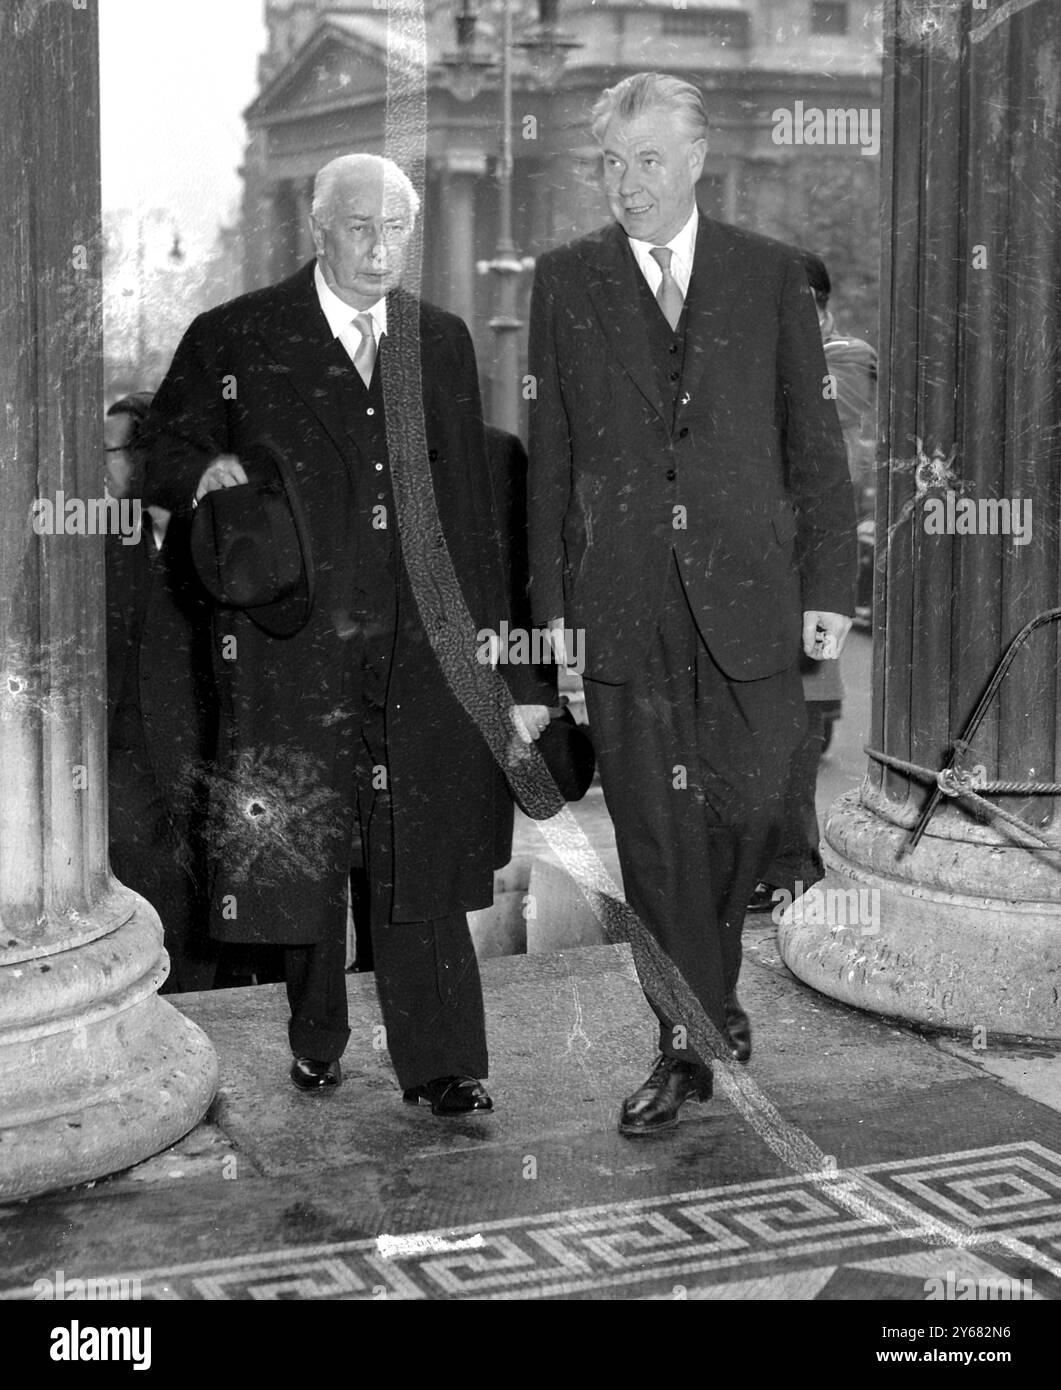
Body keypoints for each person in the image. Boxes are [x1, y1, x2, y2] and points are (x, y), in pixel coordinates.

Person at [143, 154, 550, 1114]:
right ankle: (317, 1035)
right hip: (293, 647)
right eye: (360, 227)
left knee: (424, 853)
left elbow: (469, 507)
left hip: (419, 645)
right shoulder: (237, 333)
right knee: (312, 850)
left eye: (396, 228)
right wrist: (198, 473)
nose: (380, 248)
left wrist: (511, 670)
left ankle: (444, 1062)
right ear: (319, 231)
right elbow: (164, 446)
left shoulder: (439, 340)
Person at [527, 73, 857, 1136]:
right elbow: (550, 463)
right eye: (611, 163)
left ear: (697, 159)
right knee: (655, 834)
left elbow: (813, 443)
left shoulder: (766, 278)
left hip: (751, 600)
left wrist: (828, 589)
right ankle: (683, 1038)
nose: (626, 184)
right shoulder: (565, 280)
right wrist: (550, 621)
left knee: (755, 808)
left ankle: (706, 996)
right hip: (620, 605)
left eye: (648, 160)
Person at [748, 251, 878, 911]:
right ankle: (769, 866)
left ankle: (790, 869)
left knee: (789, 732)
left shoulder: (847, 361)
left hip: (801, 585)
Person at [104, 392, 217, 993]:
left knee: (206, 886)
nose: (105, 466)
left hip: (203, 747)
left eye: (114, 451)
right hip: (126, 751)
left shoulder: (214, 527)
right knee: (143, 885)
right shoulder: (101, 536)